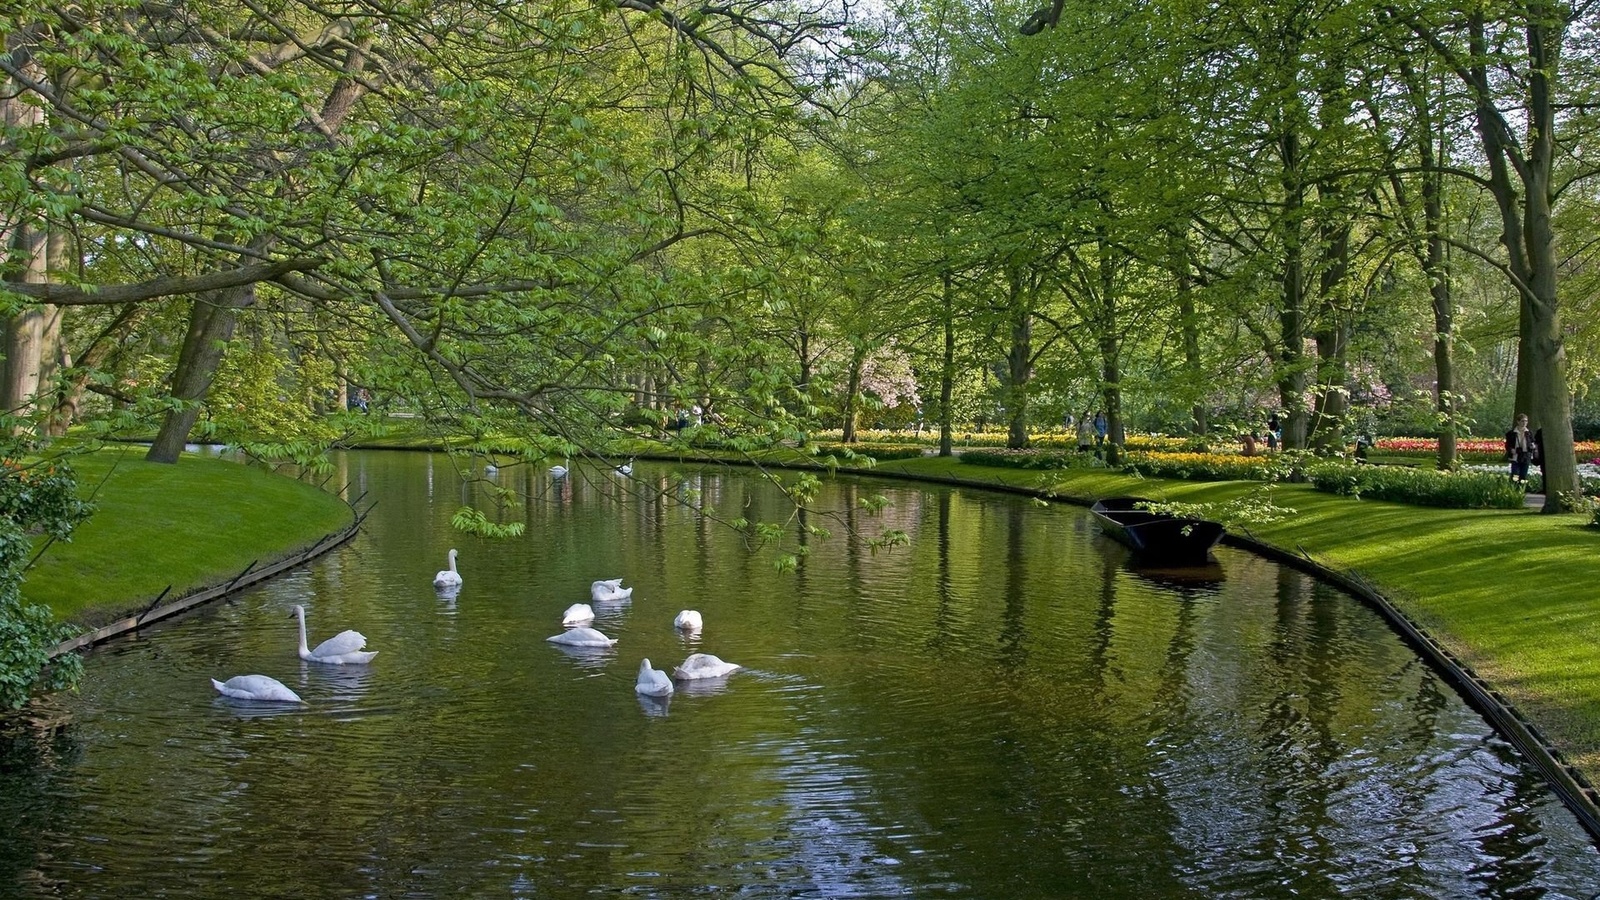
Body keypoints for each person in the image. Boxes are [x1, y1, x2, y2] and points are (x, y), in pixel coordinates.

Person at [1506, 413, 1536, 482]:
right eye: (1522, 421)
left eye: (1526, 421)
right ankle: (1514, 488)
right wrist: (1511, 450)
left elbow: (1533, 442)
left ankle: (1521, 489)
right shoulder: (1511, 433)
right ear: (1518, 421)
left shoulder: (1529, 433)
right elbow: (1507, 445)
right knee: (1515, 474)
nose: (1524, 423)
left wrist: (1532, 446)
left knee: (1523, 475)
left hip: (1526, 455)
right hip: (1515, 456)